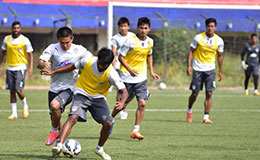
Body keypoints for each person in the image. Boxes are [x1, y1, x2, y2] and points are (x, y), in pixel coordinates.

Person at [42, 48, 128, 160]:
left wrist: (122, 102)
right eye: (100, 63)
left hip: (98, 98)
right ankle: (59, 145)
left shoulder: (112, 74)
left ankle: (99, 149)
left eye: (105, 65)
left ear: (110, 63)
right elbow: (72, 67)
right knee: (73, 117)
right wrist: (54, 72)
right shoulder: (87, 61)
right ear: (98, 59)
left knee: (108, 123)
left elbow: (124, 91)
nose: (102, 66)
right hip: (81, 93)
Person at [37, 26, 92, 146]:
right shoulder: (53, 48)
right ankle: (58, 144)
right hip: (54, 88)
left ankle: (54, 131)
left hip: (71, 87)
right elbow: (40, 62)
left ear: (72, 39)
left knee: (54, 105)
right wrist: (43, 64)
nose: (65, 45)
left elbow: (91, 61)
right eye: (62, 43)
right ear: (58, 39)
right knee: (56, 116)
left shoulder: (79, 50)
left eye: (67, 42)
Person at [111, 17, 160, 140]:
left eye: (146, 28)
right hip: (127, 77)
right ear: (138, 28)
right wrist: (129, 70)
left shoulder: (150, 42)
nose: (143, 30)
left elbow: (149, 56)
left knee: (142, 103)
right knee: (121, 105)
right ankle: (109, 120)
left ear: (149, 29)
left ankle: (136, 130)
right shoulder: (130, 41)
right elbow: (121, 57)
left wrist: (152, 71)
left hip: (141, 78)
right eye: (141, 28)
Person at [186, 18, 224, 124]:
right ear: (205, 27)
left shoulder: (219, 41)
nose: (210, 28)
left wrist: (220, 71)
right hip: (198, 69)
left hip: (210, 70)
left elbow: (220, 56)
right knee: (195, 93)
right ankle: (189, 110)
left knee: (209, 93)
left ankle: (206, 117)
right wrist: (188, 65)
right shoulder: (198, 38)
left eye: (212, 26)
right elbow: (191, 51)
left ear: (215, 27)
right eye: (208, 26)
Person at [0, 21, 34, 120]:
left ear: (20, 29)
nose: (16, 30)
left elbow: (30, 54)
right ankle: (14, 113)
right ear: (12, 29)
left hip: (21, 67)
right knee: (12, 91)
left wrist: (31, 68)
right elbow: (2, 53)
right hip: (10, 67)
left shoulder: (25, 40)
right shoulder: (7, 39)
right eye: (14, 28)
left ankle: (25, 107)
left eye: (18, 28)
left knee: (18, 89)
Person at [111, 17, 135, 120]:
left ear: (128, 27)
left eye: (125, 26)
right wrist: (113, 66)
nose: (123, 28)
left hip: (131, 67)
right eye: (121, 26)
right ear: (118, 27)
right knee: (121, 89)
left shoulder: (133, 36)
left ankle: (124, 105)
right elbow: (113, 53)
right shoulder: (115, 38)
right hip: (118, 67)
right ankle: (120, 109)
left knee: (133, 91)